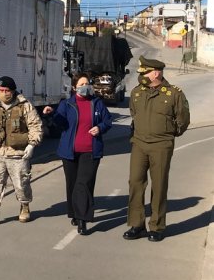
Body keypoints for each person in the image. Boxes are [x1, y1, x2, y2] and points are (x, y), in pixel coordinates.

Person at [123, 56, 190, 242]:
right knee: (135, 183)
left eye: (145, 72)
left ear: (156, 73)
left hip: (161, 144)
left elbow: (183, 119)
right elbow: (133, 114)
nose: (141, 76)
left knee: (159, 185)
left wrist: (169, 134)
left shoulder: (174, 93)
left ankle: (157, 226)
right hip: (139, 143)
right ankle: (137, 225)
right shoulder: (137, 92)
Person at [43, 73, 112, 235]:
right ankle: (74, 213)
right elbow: (60, 123)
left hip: (90, 150)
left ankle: (82, 220)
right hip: (70, 151)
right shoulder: (67, 104)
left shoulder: (96, 103)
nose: (85, 86)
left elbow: (107, 121)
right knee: (73, 184)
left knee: (83, 184)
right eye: (81, 84)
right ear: (74, 87)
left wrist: (100, 128)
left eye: (87, 83)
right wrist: (51, 113)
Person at [0, 76, 43, 226]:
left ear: (12, 91)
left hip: (17, 153)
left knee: (21, 183)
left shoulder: (24, 105)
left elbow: (35, 126)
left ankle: (24, 207)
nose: (4, 93)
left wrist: (32, 145)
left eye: (7, 90)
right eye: (1, 90)